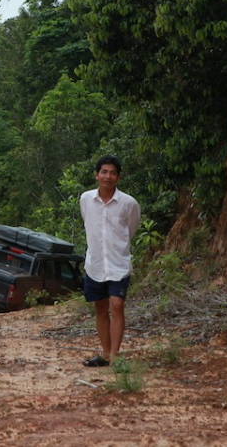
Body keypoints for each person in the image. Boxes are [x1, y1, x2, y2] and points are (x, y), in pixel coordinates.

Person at [80, 155, 141, 367]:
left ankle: (115, 355)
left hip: (118, 264)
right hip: (95, 263)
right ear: (96, 175)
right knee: (100, 307)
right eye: (104, 172)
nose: (108, 176)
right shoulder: (86, 199)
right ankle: (105, 354)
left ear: (118, 177)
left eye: (113, 172)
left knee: (117, 304)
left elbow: (131, 229)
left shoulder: (128, 203)